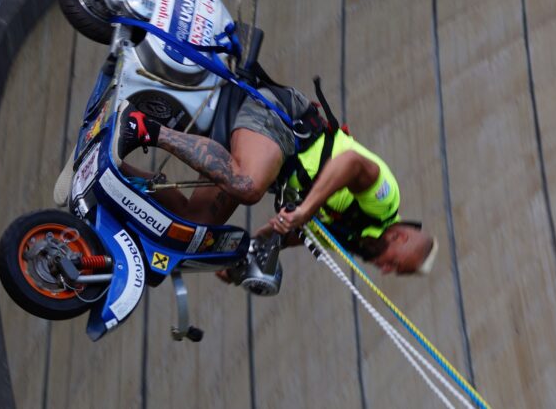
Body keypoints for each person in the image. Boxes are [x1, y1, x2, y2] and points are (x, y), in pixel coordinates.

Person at [113, 79, 437, 293]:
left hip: (269, 156)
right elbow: (350, 163)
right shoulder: (384, 201)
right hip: (283, 122)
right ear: (401, 236)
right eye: (396, 263)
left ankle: (115, 168)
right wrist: (306, 210)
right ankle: (141, 127)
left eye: (393, 271)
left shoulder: (349, 236)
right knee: (249, 186)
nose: (385, 270)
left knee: (195, 228)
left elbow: (281, 235)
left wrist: (241, 258)